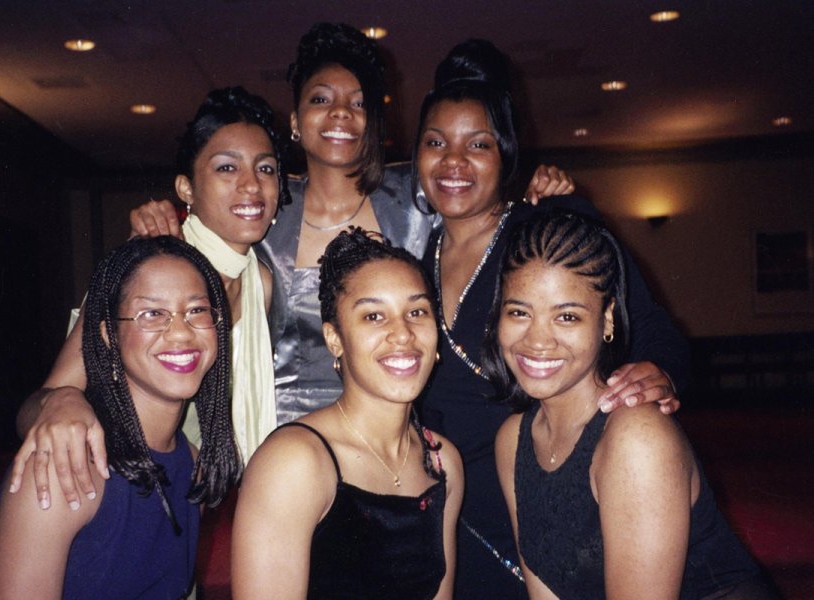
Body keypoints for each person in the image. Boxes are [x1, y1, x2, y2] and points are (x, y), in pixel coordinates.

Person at [130, 23, 575, 428]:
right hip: (283, 429)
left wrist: (540, 191)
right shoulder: (266, 206)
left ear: (374, 121)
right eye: (321, 99)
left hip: (398, 420)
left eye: (358, 103)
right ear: (295, 121)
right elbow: (198, 249)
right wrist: (154, 225)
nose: (340, 113)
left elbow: (481, 203)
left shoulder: (416, 199)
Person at [413, 39, 690, 598]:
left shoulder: (546, 229)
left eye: (478, 144)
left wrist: (658, 372)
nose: (453, 162)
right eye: (435, 142)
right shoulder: (418, 259)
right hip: (452, 513)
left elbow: (651, 326)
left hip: (540, 499)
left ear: (506, 153)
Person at [10, 85, 290, 509]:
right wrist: (62, 404)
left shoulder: (259, 282)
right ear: (186, 188)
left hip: (195, 499)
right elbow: (38, 405)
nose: (251, 185)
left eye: (265, 168)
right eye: (227, 168)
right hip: (115, 488)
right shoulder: (148, 267)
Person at [490, 211, 775, 599]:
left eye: (567, 316)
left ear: (607, 320)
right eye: (519, 312)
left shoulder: (636, 437)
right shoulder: (511, 439)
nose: (538, 340)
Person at [0, 236, 242, 598]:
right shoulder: (64, 463)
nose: (180, 331)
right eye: (152, 313)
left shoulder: (191, 464)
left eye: (196, 310)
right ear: (108, 335)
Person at [232, 227, 463, 599]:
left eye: (416, 312)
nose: (403, 334)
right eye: (374, 316)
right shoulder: (294, 462)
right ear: (334, 339)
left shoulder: (441, 461)